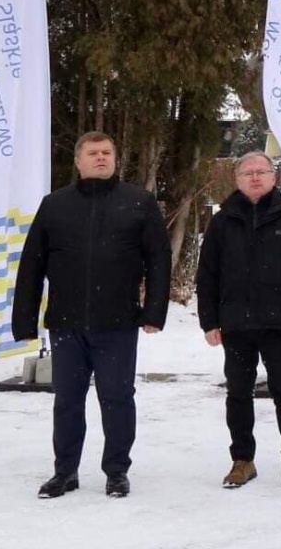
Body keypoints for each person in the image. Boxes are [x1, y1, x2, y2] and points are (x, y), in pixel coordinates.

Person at [12, 132, 171, 499]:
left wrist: (154, 312)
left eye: (107, 152)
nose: (101, 158)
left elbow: (159, 261)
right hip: (66, 323)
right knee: (67, 399)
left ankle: (116, 471)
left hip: (117, 322)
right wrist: (24, 320)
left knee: (117, 398)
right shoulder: (54, 205)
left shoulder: (139, 202)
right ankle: (64, 472)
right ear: (78, 162)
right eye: (93, 153)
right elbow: (32, 265)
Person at [196, 152, 281, 492]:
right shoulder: (223, 221)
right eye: (248, 172)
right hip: (235, 324)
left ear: (273, 177)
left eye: (261, 172)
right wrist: (209, 320)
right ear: (237, 180)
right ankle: (242, 460)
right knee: (238, 392)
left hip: (279, 322)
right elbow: (206, 274)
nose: (255, 177)